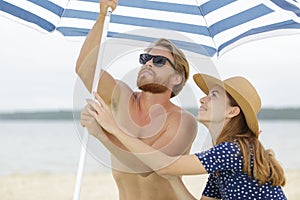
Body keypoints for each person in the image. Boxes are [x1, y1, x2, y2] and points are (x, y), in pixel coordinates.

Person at [85, 73, 287, 199]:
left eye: (214, 96)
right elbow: (168, 168)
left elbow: (167, 164)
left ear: (232, 112)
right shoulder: (224, 158)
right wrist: (173, 179)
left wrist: (113, 129)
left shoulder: (232, 151)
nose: (203, 98)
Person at [76, 0, 198, 199]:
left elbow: (144, 167)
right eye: (145, 58)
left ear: (177, 78)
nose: (149, 63)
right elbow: (86, 69)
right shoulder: (122, 97)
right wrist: (101, 17)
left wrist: (103, 133)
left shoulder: (183, 121)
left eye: (159, 61)